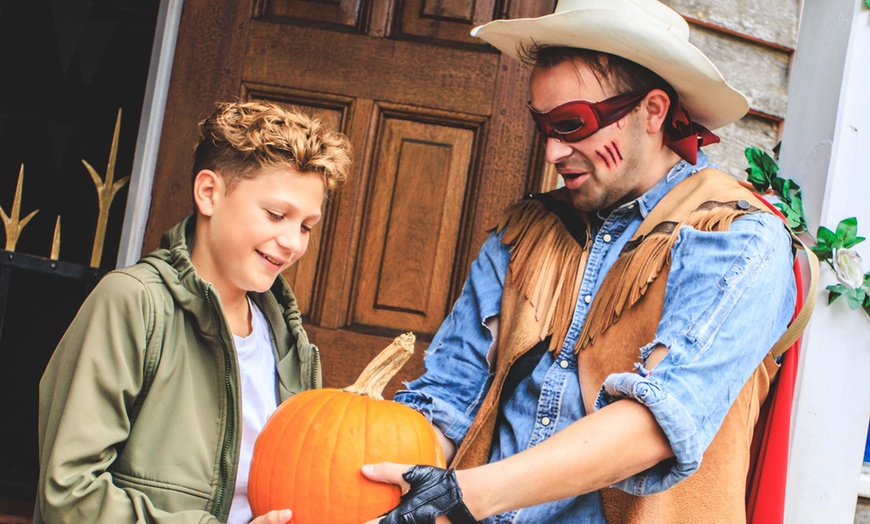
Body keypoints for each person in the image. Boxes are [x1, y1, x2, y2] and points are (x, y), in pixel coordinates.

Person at [362, 0, 800, 522]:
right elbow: (449, 398)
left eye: (572, 122)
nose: (551, 151)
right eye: (542, 124)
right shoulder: (522, 233)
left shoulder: (735, 236)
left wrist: (467, 495)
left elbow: (656, 421)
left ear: (653, 111)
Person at [34, 100, 352, 523]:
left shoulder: (288, 341)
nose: (293, 242)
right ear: (209, 193)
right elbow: (68, 495)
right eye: (276, 215)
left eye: (306, 226)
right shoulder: (134, 303)